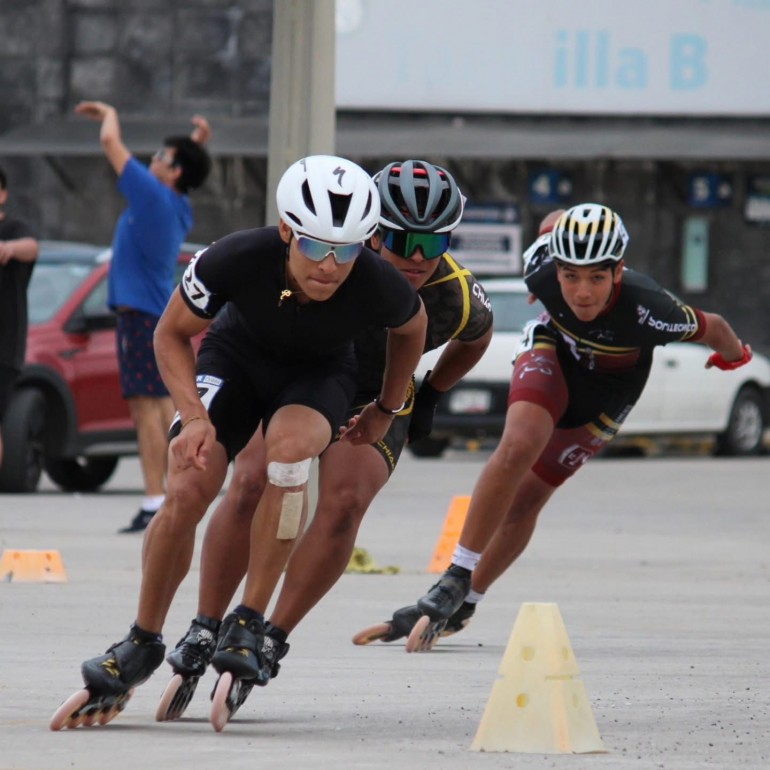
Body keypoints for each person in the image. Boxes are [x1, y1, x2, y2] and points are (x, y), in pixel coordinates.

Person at [50, 154, 428, 731]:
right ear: (286, 231)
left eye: (347, 249)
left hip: (318, 376)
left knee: (289, 459)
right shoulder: (234, 256)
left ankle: (249, 620)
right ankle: (143, 639)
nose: (330, 265)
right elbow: (169, 334)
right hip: (234, 360)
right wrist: (193, 416)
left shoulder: (376, 281)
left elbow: (413, 327)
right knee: (188, 487)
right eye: (315, 246)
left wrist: (386, 406)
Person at [160, 160, 494, 712]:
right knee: (251, 482)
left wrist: (431, 391)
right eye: (401, 239)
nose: (417, 256)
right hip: (303, 376)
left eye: (433, 243)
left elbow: (477, 337)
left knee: (344, 503)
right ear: (370, 232)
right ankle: (206, 626)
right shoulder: (337, 261)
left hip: (375, 393)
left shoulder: (454, 292)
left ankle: (272, 635)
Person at [369, 202, 755, 649]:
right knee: (518, 446)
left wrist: (734, 358)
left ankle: (468, 601)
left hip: (608, 394)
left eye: (597, 278)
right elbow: (551, 222)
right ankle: (455, 577)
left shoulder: (649, 308)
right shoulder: (540, 268)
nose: (582, 292)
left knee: (527, 500)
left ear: (618, 271)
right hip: (553, 351)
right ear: (555, 267)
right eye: (570, 276)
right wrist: (561, 223)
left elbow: (716, 327)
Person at [74, 101, 212, 534]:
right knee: (163, 407)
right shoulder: (177, 203)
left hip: (140, 315)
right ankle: (173, 495)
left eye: (161, 156)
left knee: (147, 410)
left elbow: (110, 142)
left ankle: (156, 500)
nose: (152, 158)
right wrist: (195, 144)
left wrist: (110, 113)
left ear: (174, 171)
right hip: (153, 313)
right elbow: (185, 167)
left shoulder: (153, 195)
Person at [0, 166, 40, 468]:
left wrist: (9, 248)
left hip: (4, 344)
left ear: (3, 194)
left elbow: (32, 247)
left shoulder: (14, 229)